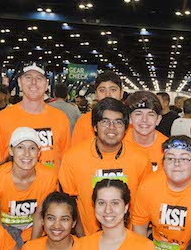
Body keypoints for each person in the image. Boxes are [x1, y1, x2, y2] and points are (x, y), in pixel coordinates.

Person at [59, 97, 152, 236]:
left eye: (118, 122)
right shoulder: (73, 157)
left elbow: (145, 205)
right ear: (95, 127)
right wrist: (82, 240)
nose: (111, 128)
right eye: (105, 122)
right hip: (87, 238)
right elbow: (69, 204)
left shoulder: (141, 159)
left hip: (128, 241)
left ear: (126, 128)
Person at [0, 127, 58, 250]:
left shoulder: (49, 176)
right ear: (11, 151)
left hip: (34, 231)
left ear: (39, 153)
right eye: (20, 147)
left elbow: (40, 215)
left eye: (32, 148)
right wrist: (8, 249)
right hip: (4, 230)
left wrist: (32, 248)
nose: (27, 153)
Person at [0, 62, 70, 168]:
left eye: (39, 78)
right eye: (28, 77)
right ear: (19, 82)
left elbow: (66, 159)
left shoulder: (60, 118)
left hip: (50, 184)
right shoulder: (1, 119)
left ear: (46, 84)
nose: (34, 82)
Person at [71, 71, 124, 146]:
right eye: (102, 90)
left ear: (121, 93)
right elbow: (75, 151)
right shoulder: (84, 122)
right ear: (96, 94)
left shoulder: (132, 122)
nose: (107, 94)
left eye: (113, 90)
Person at [124, 90, 167, 171]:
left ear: (158, 119)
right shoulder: (118, 144)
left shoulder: (167, 149)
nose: (144, 119)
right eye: (138, 114)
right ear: (129, 118)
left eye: (150, 114)